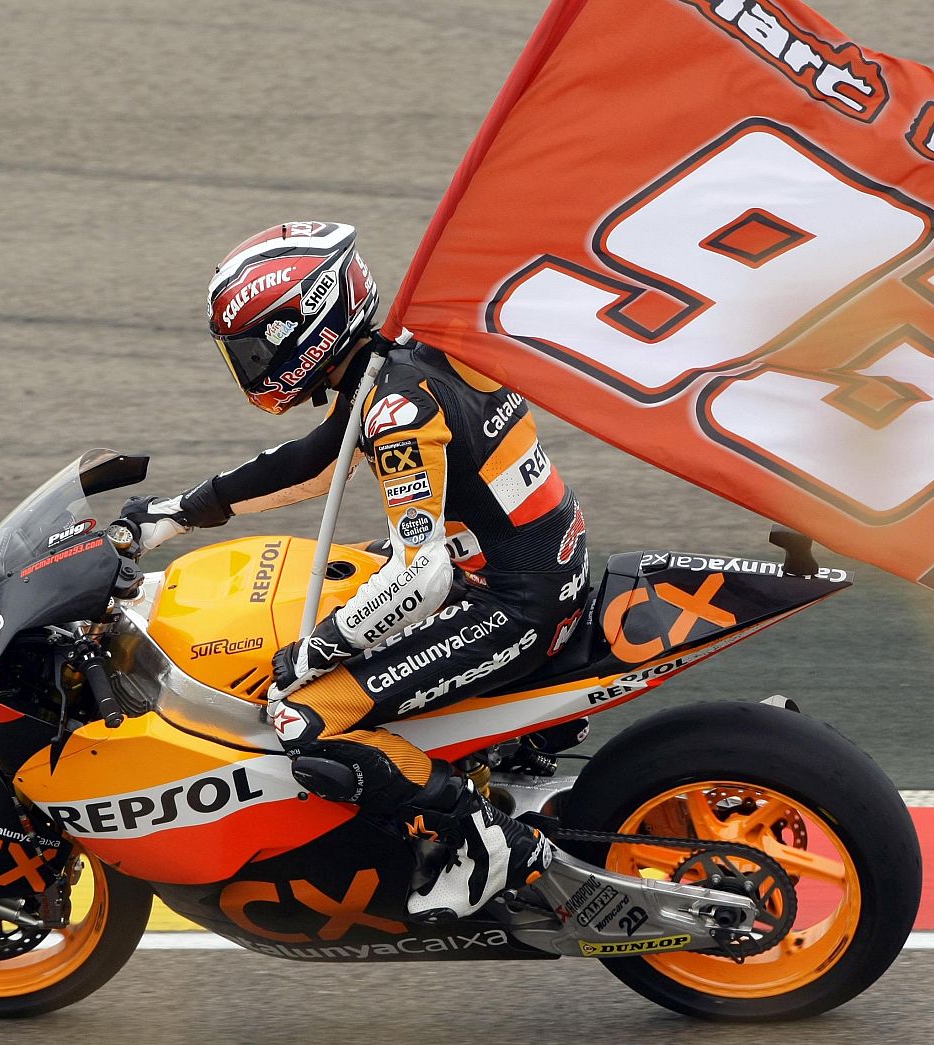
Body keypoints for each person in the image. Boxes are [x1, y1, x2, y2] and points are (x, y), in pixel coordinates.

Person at [120, 220, 589, 920]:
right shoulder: (406, 358)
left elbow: (420, 574)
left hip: (513, 603)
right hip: (526, 563)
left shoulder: (399, 410)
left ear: (305, 329)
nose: (248, 366)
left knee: (301, 715)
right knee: (344, 589)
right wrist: (177, 513)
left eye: (254, 348)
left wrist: (318, 648)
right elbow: (316, 461)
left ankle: (482, 842)